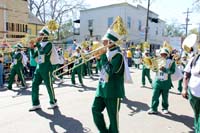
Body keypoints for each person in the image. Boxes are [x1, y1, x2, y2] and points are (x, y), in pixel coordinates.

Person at [92, 28, 125, 133]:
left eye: (106, 41)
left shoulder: (118, 55)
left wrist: (102, 56)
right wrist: (98, 59)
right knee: (95, 109)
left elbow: (109, 71)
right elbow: (101, 70)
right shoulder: (106, 52)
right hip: (101, 89)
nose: (103, 42)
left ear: (112, 42)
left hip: (112, 91)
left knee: (113, 118)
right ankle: (103, 131)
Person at [29, 27, 57, 111]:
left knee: (49, 86)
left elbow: (43, 52)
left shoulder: (49, 44)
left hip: (46, 67)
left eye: (41, 34)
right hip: (39, 67)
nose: (39, 36)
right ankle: (36, 104)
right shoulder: (40, 44)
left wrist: (37, 44)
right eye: (40, 34)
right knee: (34, 84)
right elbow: (34, 56)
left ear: (45, 36)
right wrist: (31, 48)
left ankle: (53, 102)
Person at [148, 48, 175, 114]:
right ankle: (153, 108)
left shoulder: (171, 62)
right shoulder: (156, 60)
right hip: (157, 81)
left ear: (167, 54)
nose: (163, 55)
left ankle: (165, 108)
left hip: (166, 82)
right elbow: (154, 69)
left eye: (164, 54)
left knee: (165, 97)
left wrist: (165, 70)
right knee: (155, 95)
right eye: (162, 54)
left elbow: (172, 71)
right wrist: (153, 68)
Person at [182, 53, 200, 133]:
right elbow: (186, 74)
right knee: (197, 113)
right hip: (193, 93)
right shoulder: (194, 59)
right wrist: (184, 89)